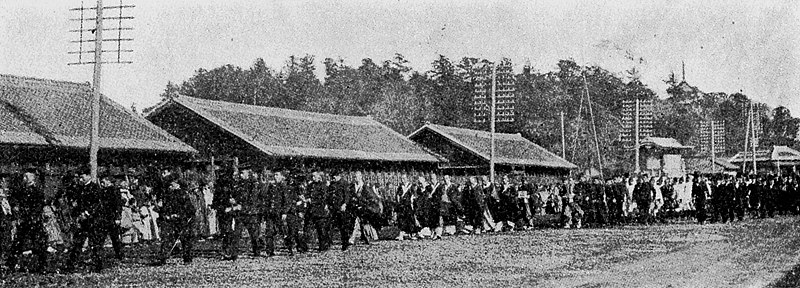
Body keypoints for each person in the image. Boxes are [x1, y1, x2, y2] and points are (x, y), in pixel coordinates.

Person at [65, 170, 124, 273]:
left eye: (82, 176)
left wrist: (87, 213)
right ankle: (70, 265)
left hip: (94, 220)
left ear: (88, 176)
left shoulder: (95, 188)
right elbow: (77, 203)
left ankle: (98, 266)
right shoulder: (79, 188)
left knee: (96, 244)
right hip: (83, 220)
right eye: (79, 177)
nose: (80, 179)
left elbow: (97, 204)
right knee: (78, 243)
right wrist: (77, 214)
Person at [149, 176, 196, 266]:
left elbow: (190, 209)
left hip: (181, 220)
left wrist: (179, 215)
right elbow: (163, 208)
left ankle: (187, 259)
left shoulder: (183, 194)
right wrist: (162, 211)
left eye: (171, 184)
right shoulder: (167, 194)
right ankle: (162, 258)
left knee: (185, 240)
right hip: (169, 220)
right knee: (167, 239)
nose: (170, 186)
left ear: (177, 184)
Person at [224, 166, 262, 260]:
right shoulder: (239, 184)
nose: (241, 175)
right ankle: (233, 254)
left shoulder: (254, 184)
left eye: (242, 173)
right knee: (236, 234)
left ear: (248, 173)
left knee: (254, 235)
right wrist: (234, 201)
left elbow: (253, 200)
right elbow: (238, 196)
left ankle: (257, 252)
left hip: (251, 213)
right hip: (240, 213)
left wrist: (239, 206)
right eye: (240, 173)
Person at [279, 170, 308, 255]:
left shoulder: (298, 188)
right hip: (290, 210)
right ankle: (294, 246)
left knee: (295, 230)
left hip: (294, 211)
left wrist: (300, 209)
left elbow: (301, 200)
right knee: (291, 230)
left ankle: (298, 246)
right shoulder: (287, 187)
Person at [305, 170, 331, 251]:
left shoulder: (323, 186)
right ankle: (306, 245)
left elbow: (323, 198)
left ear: (319, 177)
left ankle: (323, 246)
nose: (312, 178)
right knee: (307, 228)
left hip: (320, 211)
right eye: (312, 176)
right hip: (311, 210)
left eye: (314, 176)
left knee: (321, 229)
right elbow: (307, 194)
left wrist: (312, 201)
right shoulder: (310, 185)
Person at [328, 170, 354, 250]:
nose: (333, 178)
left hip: (342, 208)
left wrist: (345, 204)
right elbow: (330, 194)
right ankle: (329, 242)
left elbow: (347, 195)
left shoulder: (344, 183)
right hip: (334, 207)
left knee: (343, 226)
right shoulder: (332, 184)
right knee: (330, 226)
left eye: (334, 177)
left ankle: (345, 243)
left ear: (338, 176)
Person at [396, 174, 420, 240]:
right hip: (402, 205)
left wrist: (412, 202)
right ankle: (401, 234)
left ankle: (412, 234)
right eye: (402, 178)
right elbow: (398, 195)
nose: (402, 180)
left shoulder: (410, 186)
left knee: (410, 219)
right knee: (402, 219)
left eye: (404, 178)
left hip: (408, 205)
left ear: (407, 179)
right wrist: (398, 202)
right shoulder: (400, 187)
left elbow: (414, 195)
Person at [0, 175, 13, 270]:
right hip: (2, 223)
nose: (6, 184)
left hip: (6, 223)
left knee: (6, 242)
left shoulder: (8, 197)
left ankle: (4, 262)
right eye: (5, 181)